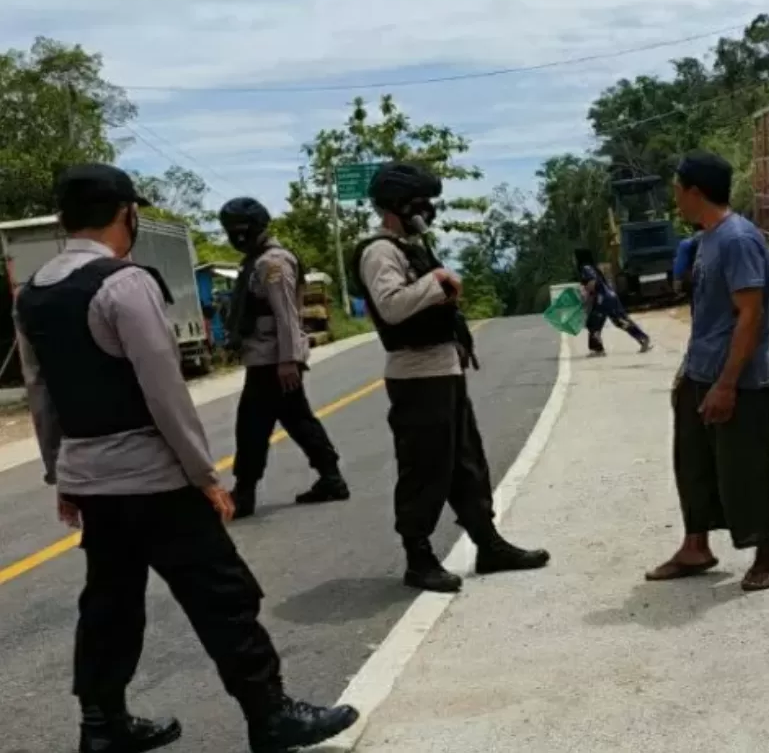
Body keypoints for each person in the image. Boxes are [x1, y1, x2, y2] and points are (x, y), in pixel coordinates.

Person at [13, 164, 358, 753]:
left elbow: (41, 394)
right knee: (224, 595)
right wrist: (205, 476)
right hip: (153, 480)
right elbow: (164, 391)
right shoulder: (124, 284)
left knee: (110, 602)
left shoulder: (34, 294)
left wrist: (60, 475)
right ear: (128, 214)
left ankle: (102, 725)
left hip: (92, 482)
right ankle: (270, 715)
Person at [351, 161, 550, 594]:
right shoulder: (380, 251)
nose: (429, 211)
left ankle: (488, 543)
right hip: (416, 375)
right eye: (422, 203)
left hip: (444, 371)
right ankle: (418, 558)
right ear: (398, 205)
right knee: (424, 467)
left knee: (466, 463)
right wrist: (438, 281)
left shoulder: (410, 246)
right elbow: (391, 306)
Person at [646, 151, 769, 592]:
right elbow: (708, 317)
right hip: (701, 372)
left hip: (738, 380)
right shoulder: (706, 239)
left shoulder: (738, 239)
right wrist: (688, 375)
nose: (675, 199)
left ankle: (766, 556)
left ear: (695, 191)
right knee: (694, 464)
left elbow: (750, 316)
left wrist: (726, 384)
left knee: (747, 467)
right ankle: (695, 546)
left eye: (677, 190)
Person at [220, 197, 350, 519]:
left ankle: (245, 493)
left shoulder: (271, 263)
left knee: (252, 425)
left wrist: (289, 360)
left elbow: (286, 314)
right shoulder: (256, 260)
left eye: (240, 229)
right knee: (296, 419)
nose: (235, 236)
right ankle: (331, 477)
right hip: (266, 357)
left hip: (273, 360)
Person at [579, 263, 652, 356]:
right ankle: (642, 338)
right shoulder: (595, 269)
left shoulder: (587, 268)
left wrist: (586, 291)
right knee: (620, 321)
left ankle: (598, 350)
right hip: (610, 297)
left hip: (604, 299)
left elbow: (592, 282)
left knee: (593, 323)